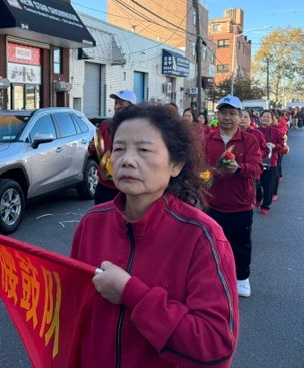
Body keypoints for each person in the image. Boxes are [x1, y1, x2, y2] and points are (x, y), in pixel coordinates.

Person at [72, 103, 238, 367]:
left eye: (144, 150)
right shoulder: (92, 224)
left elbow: (215, 345)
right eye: (119, 149)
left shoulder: (202, 236)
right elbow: (73, 313)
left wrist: (132, 293)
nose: (127, 160)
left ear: (176, 164)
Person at [204, 95, 262, 297]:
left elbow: (256, 169)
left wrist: (239, 168)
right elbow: (198, 166)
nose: (226, 117)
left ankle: (241, 278)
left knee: (240, 244)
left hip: (240, 204)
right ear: (217, 115)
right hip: (211, 204)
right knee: (210, 244)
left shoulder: (250, 140)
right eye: (223, 113)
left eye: (232, 113)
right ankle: (212, 276)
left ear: (240, 116)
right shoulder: (207, 139)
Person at [91, 89, 136, 205]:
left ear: (132, 107)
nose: (116, 107)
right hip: (106, 185)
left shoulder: (140, 128)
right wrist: (93, 148)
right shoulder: (105, 125)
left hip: (128, 185)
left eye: (121, 104)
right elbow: (96, 152)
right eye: (116, 103)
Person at [257, 110, 285, 214]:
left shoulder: (276, 132)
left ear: (271, 120)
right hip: (257, 162)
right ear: (260, 118)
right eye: (263, 117)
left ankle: (265, 206)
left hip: (271, 162)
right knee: (257, 184)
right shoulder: (255, 131)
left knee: (268, 185)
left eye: (268, 117)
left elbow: (282, 146)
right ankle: (258, 197)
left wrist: (274, 146)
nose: (265, 119)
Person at [239, 110, 268, 208]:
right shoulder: (232, 134)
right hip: (237, 168)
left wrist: (256, 155)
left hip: (253, 167)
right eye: (240, 116)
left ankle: (259, 198)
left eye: (245, 117)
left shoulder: (256, 134)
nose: (242, 119)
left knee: (257, 186)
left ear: (250, 120)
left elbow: (266, 150)